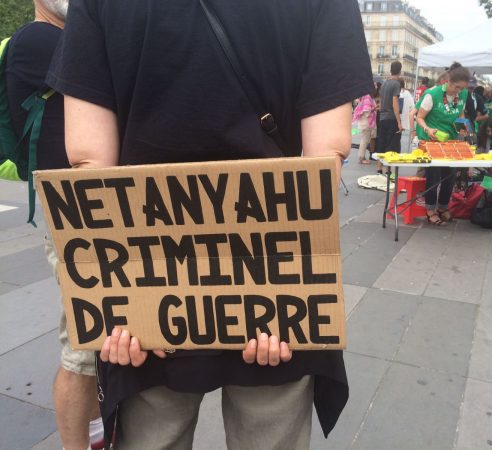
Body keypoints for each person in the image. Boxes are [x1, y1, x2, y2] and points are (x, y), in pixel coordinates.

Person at [46, 1, 373, 448]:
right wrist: (287, 297)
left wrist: (117, 304)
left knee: (153, 433)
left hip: (150, 273)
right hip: (274, 272)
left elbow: (89, 161)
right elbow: (323, 156)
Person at [6, 1, 103, 449]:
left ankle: (100, 427)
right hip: (70, 207)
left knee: (100, 332)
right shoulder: (38, 38)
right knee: (84, 340)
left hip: (92, 203)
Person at [415, 62, 470, 226]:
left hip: (450, 141)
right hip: (431, 141)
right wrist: (428, 129)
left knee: (450, 176)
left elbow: (460, 113)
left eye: (462, 88)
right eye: (457, 87)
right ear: (449, 82)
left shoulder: (464, 94)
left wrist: (462, 127)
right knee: (433, 176)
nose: (459, 91)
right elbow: (419, 117)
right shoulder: (433, 94)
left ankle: (443, 207)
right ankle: (430, 209)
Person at [375, 60, 403, 174]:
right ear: (400, 71)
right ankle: (388, 169)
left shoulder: (385, 83)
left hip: (382, 116)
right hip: (391, 117)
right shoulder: (396, 84)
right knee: (392, 143)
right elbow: (395, 102)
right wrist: (399, 121)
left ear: (391, 70)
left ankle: (379, 167)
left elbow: (381, 101)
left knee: (381, 141)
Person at [352, 83, 377, 164]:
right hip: (366, 122)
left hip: (364, 122)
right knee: (364, 141)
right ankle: (361, 158)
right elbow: (367, 111)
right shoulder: (367, 97)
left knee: (364, 140)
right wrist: (375, 108)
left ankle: (362, 157)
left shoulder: (364, 96)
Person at [398, 78, 415, 153]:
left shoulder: (394, 92)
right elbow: (412, 106)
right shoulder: (407, 93)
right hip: (403, 120)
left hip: (393, 119)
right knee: (398, 139)